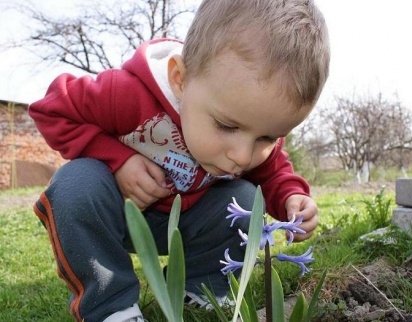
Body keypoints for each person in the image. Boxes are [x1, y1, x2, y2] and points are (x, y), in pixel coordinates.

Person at [29, 0, 330, 321]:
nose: (242, 156)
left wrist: (291, 199)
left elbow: (274, 173)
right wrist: (117, 160)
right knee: (76, 184)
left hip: (191, 224)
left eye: (267, 137)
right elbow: (51, 109)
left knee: (244, 199)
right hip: (119, 214)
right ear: (180, 79)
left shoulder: (245, 124)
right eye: (227, 126)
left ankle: (201, 286)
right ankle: (111, 306)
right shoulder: (127, 93)